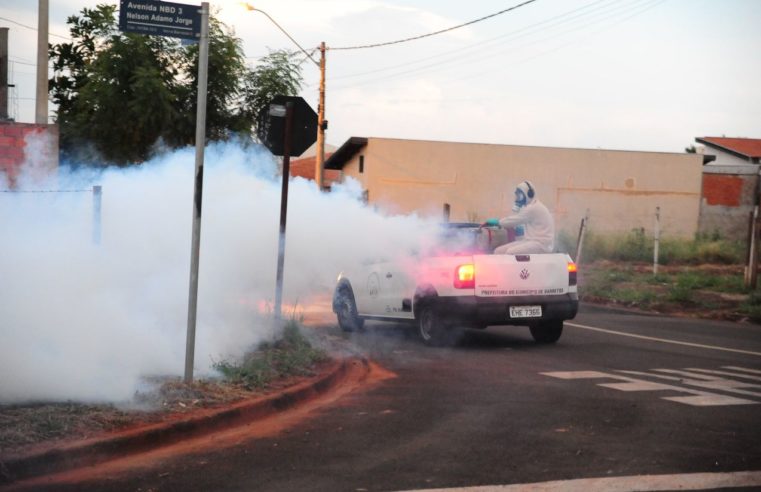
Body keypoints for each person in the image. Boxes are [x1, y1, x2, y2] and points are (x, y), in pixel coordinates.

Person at [482, 180, 555, 254]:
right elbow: (519, 220)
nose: (517, 198)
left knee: (510, 252)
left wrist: (498, 222)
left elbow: (514, 220)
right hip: (531, 241)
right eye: (517, 195)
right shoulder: (530, 207)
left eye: (520, 195)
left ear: (529, 194)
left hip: (541, 244)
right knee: (499, 251)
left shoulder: (533, 208)